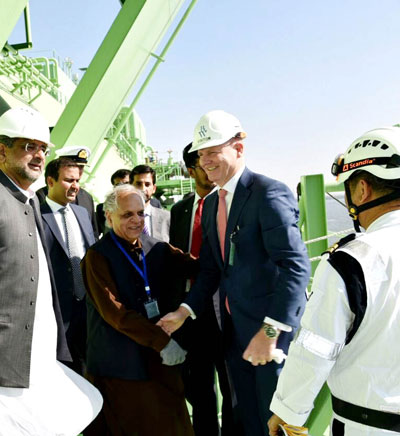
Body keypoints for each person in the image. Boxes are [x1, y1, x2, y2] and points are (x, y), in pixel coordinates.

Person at [0, 107, 102, 436]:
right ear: (1, 150)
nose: (39, 156)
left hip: (34, 364)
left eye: (43, 148)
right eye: (29, 146)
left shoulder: (27, 201)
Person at [158, 110, 311, 435]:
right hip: (236, 336)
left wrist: (269, 334)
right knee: (250, 421)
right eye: (202, 154)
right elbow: (212, 269)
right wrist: (185, 311)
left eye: (213, 151)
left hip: (270, 338)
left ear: (239, 149)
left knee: (277, 424)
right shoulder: (214, 203)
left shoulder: (268, 194)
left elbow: (295, 267)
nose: (206, 161)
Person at [268, 126, 400, 436]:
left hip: (366, 427)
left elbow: (316, 347)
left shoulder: (350, 261)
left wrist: (288, 413)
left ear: (362, 189)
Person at [81, 183, 199, 436]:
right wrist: (163, 343)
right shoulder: (97, 256)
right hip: (121, 369)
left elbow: (198, 268)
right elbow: (116, 314)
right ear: (109, 216)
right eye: (127, 215)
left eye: (140, 213)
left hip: (157, 363)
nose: (136, 220)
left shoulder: (155, 247)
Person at [170, 142, 236, 436]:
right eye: (201, 165)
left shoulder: (226, 205)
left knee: (230, 382)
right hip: (189, 310)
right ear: (189, 169)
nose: (209, 171)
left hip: (223, 308)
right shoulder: (180, 210)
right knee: (198, 387)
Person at [40, 157, 96, 375]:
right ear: (50, 181)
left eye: (77, 180)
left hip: (87, 308)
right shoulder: (37, 213)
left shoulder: (82, 212)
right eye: (68, 180)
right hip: (57, 313)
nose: (75, 186)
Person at [36, 145, 100, 239]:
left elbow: (93, 233)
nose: (78, 170)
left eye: (82, 167)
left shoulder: (87, 197)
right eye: (74, 165)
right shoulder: (41, 195)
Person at [131, 164, 170, 241]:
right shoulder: (121, 218)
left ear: (154, 188)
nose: (143, 189)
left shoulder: (167, 218)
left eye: (147, 184)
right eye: (138, 184)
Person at [97, 168, 131, 236]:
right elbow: (95, 233)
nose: (123, 187)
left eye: (127, 183)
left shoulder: (146, 205)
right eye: (118, 185)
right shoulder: (102, 209)